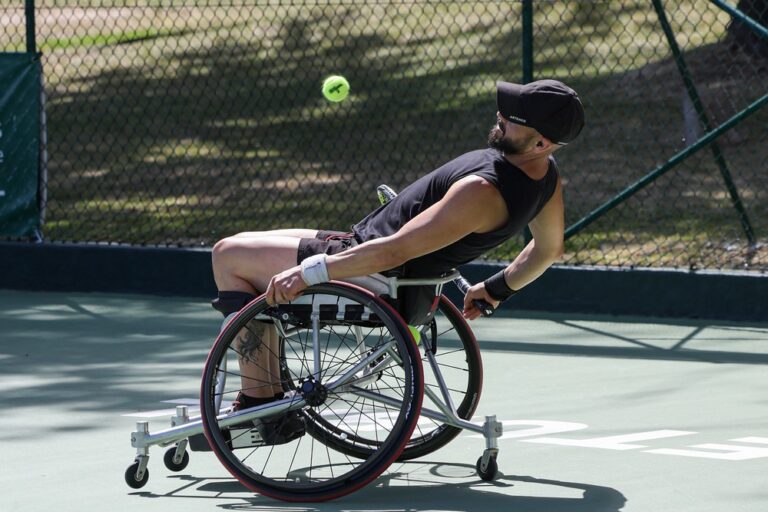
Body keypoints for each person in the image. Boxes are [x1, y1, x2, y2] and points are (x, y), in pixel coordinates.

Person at [210, 79, 585, 444]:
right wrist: (496, 289)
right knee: (241, 244)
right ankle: (268, 398)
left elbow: (395, 251)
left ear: (540, 142)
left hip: (374, 270)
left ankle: (261, 407)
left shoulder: (482, 191)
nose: (501, 115)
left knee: (228, 256)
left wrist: (308, 273)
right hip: (372, 255)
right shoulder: (543, 173)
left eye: (513, 117)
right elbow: (548, 249)